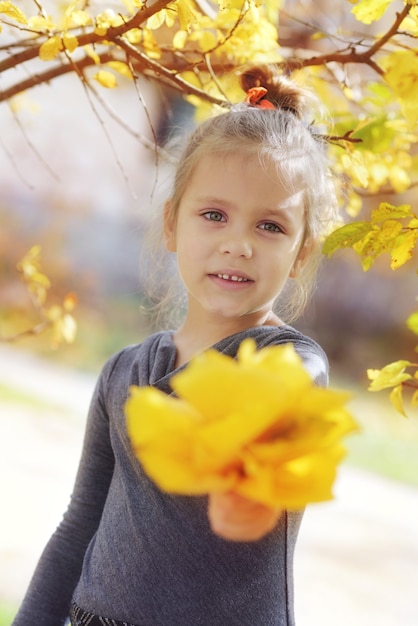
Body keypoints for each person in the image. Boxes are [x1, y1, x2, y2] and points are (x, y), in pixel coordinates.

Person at [12, 64, 339, 626]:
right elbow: (78, 525)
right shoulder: (122, 373)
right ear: (171, 224)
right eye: (214, 215)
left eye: (270, 227)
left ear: (302, 251)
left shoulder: (291, 364)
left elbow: (286, 399)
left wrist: (251, 481)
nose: (238, 245)